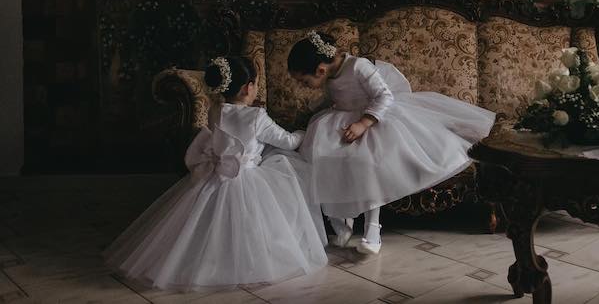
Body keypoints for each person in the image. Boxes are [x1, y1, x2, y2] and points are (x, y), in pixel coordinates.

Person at [104, 56, 327, 290]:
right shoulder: (256, 117)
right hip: (247, 178)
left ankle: (210, 260)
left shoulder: (216, 110)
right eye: (256, 84)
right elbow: (289, 142)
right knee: (280, 187)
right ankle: (251, 260)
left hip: (213, 177)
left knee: (203, 225)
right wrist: (306, 131)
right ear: (248, 87)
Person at [288, 31, 495, 255]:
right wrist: (311, 113)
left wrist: (364, 123)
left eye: (305, 81)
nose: (305, 86)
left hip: (375, 119)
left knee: (367, 162)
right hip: (342, 120)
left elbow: (384, 96)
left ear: (320, 69)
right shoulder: (328, 75)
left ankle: (372, 227)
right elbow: (333, 98)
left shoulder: (358, 67)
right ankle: (340, 220)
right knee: (321, 156)